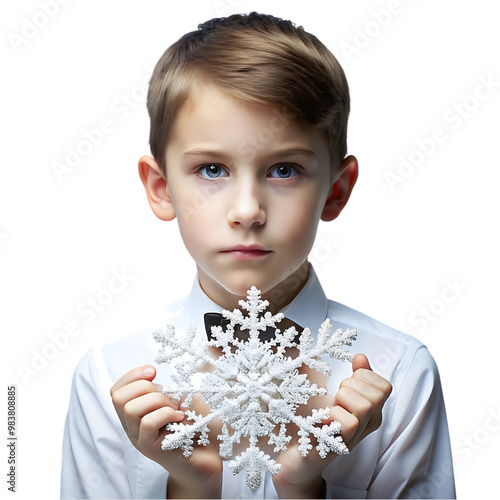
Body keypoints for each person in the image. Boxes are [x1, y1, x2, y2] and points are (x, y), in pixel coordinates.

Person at [61, 12, 456, 499]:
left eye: (284, 170)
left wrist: (302, 486)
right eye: (211, 169)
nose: (247, 211)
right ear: (161, 188)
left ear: (335, 191)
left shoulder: (400, 372)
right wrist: (192, 488)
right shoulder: (108, 378)